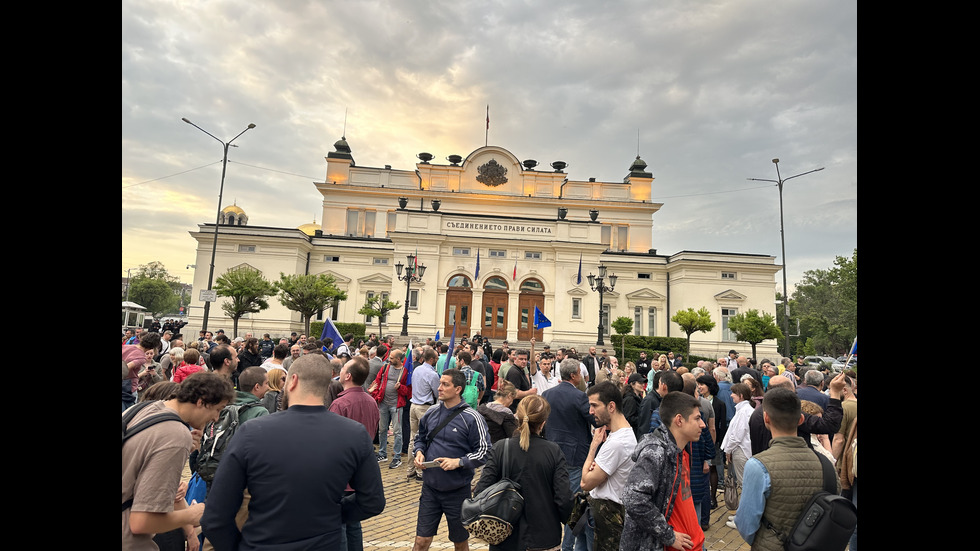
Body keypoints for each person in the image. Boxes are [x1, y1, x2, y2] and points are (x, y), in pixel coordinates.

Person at [201, 354, 385, 551]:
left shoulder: (253, 432)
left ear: (293, 381)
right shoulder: (354, 434)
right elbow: (372, 501)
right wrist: (334, 515)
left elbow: (215, 516)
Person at [123, 371, 235, 550]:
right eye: (218, 410)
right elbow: (141, 521)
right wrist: (192, 515)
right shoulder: (175, 434)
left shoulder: (145, 409)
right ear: (201, 401)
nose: (215, 418)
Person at [733, 387, 839, 549]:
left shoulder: (758, 465)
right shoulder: (825, 463)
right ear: (801, 419)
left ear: (766, 418)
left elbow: (746, 523)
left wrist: (764, 541)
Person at [473, 394, 573, 551]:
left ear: (516, 417)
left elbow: (480, 492)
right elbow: (563, 499)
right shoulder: (553, 451)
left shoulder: (500, 448)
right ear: (543, 424)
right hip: (544, 537)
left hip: (505, 538)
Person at [412, 368, 492, 551]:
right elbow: (420, 438)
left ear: (458, 389)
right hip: (430, 489)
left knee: (460, 542)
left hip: (457, 492)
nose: (439, 388)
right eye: (440, 383)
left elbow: (485, 451)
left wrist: (459, 462)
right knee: (421, 541)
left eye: (445, 384)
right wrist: (419, 452)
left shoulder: (472, 418)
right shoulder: (431, 412)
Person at [620, 391, 706, 551]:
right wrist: (669, 535)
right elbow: (633, 498)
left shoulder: (682, 450)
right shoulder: (656, 452)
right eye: (697, 418)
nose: (703, 424)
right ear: (679, 420)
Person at [542, 358, 595, 551]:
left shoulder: (547, 394)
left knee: (553, 501)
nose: (581, 377)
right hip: (575, 457)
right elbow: (595, 420)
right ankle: (566, 547)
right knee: (574, 506)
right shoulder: (580, 397)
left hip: (550, 454)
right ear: (573, 375)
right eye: (580, 373)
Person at [329, 356, 382, 551]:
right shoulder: (371, 401)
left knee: (340, 524)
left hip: (341, 474)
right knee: (353, 522)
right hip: (360, 472)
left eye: (343, 369)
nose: (340, 371)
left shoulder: (339, 405)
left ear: (348, 376)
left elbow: (331, 441)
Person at [582, 382, 637, 551]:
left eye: (594, 405)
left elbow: (586, 483)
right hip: (601, 514)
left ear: (611, 406)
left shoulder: (617, 443)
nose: (590, 411)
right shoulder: (619, 434)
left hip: (605, 518)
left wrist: (593, 447)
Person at [368, 348, 410, 467]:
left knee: (397, 431)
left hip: (396, 405)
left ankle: (397, 456)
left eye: (391, 358)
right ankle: (382, 453)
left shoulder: (405, 371)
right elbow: (376, 382)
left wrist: (400, 387)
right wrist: (376, 394)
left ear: (398, 359)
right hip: (383, 403)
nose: (388, 359)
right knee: (382, 429)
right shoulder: (385, 367)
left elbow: (408, 391)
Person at [407, 347, 442, 481]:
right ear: (432, 359)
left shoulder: (417, 369)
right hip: (424, 408)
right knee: (424, 438)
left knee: (412, 438)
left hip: (413, 405)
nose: (437, 360)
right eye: (436, 358)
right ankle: (420, 471)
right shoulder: (431, 374)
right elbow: (438, 392)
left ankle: (410, 469)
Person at [123, 332, 162, 411]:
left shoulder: (126, 347)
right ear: (153, 346)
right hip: (128, 387)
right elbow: (126, 368)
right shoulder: (141, 358)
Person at [477, 379, 519, 443]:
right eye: (512, 399)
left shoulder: (484, 407)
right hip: (499, 449)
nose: (511, 403)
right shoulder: (507, 413)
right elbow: (514, 436)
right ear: (510, 396)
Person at [504, 348, 538, 413]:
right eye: (521, 359)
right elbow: (515, 394)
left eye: (525, 359)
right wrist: (530, 392)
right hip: (514, 410)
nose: (524, 361)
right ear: (515, 359)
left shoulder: (520, 370)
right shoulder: (514, 372)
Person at [621, 373, 646, 439]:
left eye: (643, 383)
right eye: (640, 383)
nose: (643, 385)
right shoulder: (630, 399)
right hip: (631, 434)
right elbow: (629, 418)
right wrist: (643, 418)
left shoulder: (638, 397)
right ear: (632, 384)